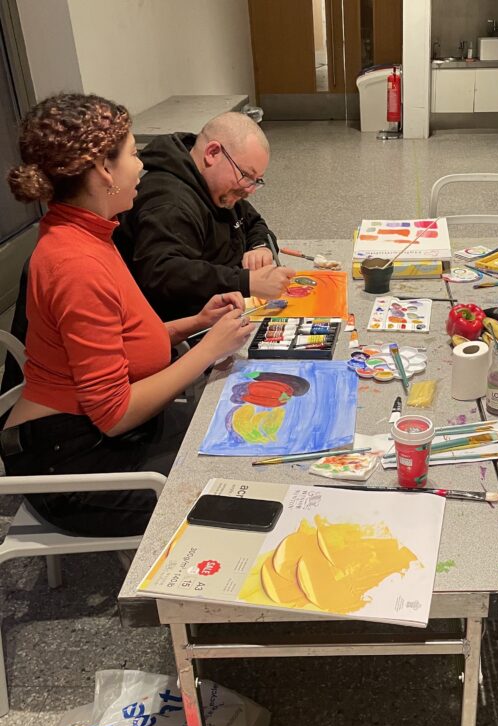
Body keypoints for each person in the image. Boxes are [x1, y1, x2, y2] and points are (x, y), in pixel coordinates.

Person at [1, 93, 253, 537]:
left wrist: (196, 322)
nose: (142, 166)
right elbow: (114, 414)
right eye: (135, 155)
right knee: (239, 485)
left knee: (241, 438)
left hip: (91, 434)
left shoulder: (87, 231)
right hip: (71, 461)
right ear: (103, 171)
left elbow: (121, 338)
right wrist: (209, 350)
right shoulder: (74, 262)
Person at [114, 111, 295, 321]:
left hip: (227, 306)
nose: (249, 189)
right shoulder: (169, 203)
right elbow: (164, 274)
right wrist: (246, 282)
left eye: (257, 180)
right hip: (186, 327)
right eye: (246, 175)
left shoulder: (219, 188)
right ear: (213, 153)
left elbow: (252, 221)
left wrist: (259, 246)